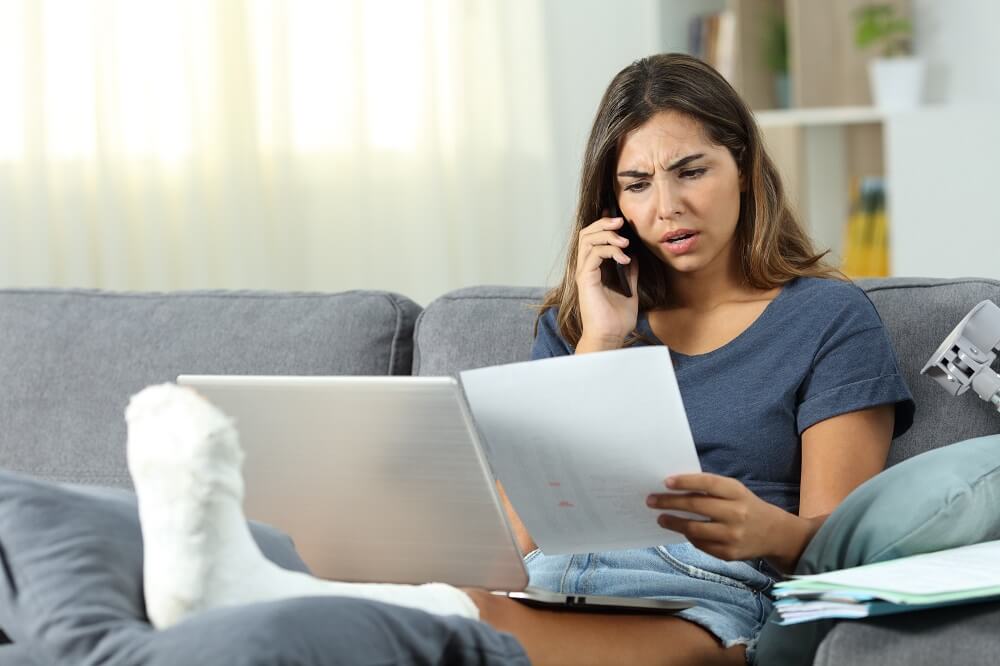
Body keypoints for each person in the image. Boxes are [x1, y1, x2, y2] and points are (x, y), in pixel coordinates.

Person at [128, 53, 914, 666]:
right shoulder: (582, 322)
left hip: (700, 599)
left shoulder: (826, 319)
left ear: (743, 163)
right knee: (431, 604)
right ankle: (250, 581)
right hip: (548, 581)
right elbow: (516, 528)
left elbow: (846, 547)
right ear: (612, 206)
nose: (665, 208)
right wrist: (600, 342)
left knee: (459, 634)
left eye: (691, 171)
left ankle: (248, 593)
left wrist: (765, 528)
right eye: (636, 184)